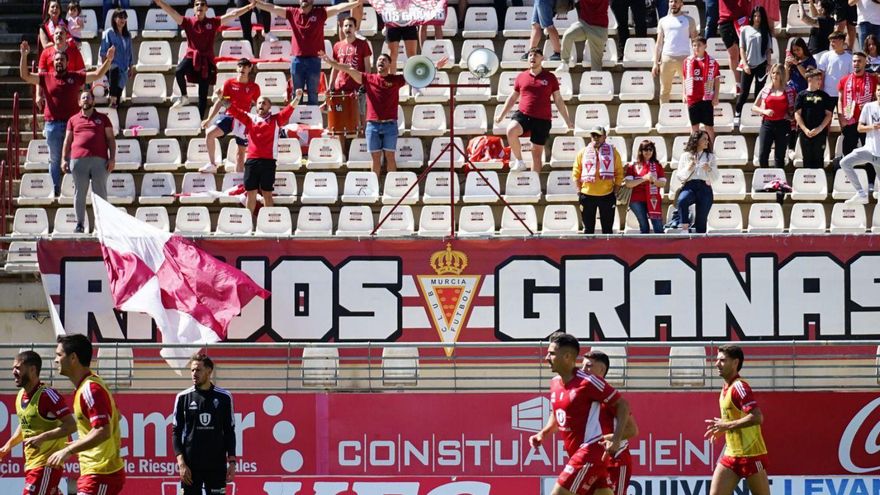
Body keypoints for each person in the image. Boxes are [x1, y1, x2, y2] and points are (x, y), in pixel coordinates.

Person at [528, 332, 630, 495]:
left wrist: (617, 439)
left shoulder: (588, 381)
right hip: (580, 454)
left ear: (567, 356)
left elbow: (622, 405)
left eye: (552, 353)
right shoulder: (555, 383)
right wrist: (543, 433)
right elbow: (558, 413)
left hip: (591, 451)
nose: (547, 357)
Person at [321, 52, 443, 175]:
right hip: (372, 126)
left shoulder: (396, 79)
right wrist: (331, 62)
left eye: (384, 60)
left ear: (389, 64)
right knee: (375, 159)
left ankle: (393, 188)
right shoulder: (368, 78)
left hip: (390, 125)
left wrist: (435, 66)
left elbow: (416, 75)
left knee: (390, 157)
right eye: (379, 59)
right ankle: (375, 188)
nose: (381, 61)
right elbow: (349, 69)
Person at [19, 41, 113, 197]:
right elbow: (25, 75)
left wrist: (108, 60)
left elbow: (96, 75)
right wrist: (24, 56)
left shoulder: (75, 77)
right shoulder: (45, 77)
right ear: (53, 62)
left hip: (73, 126)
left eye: (62, 60)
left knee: (74, 160)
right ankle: (55, 190)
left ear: (67, 62)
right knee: (55, 160)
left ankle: (73, 190)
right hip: (52, 125)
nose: (59, 62)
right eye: (56, 60)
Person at [48, 334, 125, 495]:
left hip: (102, 473)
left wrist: (68, 450)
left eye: (59, 355)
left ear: (73, 358)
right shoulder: (90, 384)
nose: (55, 360)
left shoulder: (90, 389)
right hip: (95, 473)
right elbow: (117, 415)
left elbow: (103, 430)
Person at [155, 0, 255, 118]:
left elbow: (233, 15)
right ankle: (184, 96)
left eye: (202, 4)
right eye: (197, 4)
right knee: (179, 71)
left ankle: (200, 121)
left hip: (206, 61)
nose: (199, 6)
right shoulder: (188, 21)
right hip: (192, 57)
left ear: (206, 8)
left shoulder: (212, 22)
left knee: (202, 95)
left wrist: (249, 6)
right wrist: (159, 2)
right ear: (194, 8)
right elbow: (172, 12)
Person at [254, 0, 362, 106]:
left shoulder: (320, 13)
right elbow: (273, 8)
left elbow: (339, 7)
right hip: (297, 60)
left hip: (314, 60)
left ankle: (313, 122)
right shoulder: (292, 12)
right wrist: (256, 3)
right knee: (296, 95)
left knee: (313, 95)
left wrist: (357, 3)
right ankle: (297, 122)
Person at [0, 351, 76, 495]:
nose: (13, 372)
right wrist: (6, 448)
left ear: (32, 369)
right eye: (13, 368)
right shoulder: (20, 397)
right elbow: (25, 426)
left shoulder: (48, 395)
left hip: (46, 466)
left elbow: (71, 425)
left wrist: (42, 437)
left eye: (18, 368)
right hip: (32, 466)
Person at [704, 345, 770, 495]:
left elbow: (757, 417)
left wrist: (726, 425)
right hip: (731, 455)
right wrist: (722, 429)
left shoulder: (740, 387)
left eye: (722, 360)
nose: (716, 364)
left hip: (752, 455)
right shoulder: (726, 387)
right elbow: (734, 417)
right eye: (717, 360)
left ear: (735, 363)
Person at [496, 48, 573, 172]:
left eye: (536, 55)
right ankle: (519, 161)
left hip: (543, 119)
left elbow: (558, 99)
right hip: (524, 114)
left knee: (536, 155)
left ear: (542, 58)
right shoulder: (521, 76)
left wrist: (567, 120)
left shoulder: (550, 77)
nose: (532, 57)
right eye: (530, 55)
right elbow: (513, 97)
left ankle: (534, 183)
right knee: (511, 130)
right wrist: (501, 115)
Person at [227, 91, 303, 215]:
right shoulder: (249, 119)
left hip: (268, 161)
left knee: (267, 193)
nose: (261, 105)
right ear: (256, 106)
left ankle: (268, 223)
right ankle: (248, 225)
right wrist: (221, 98)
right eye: (259, 103)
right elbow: (234, 110)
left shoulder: (276, 119)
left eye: (264, 103)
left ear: (269, 107)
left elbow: (289, 109)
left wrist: (298, 97)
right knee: (251, 194)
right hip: (252, 161)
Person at [173, 354, 237, 495]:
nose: (194, 374)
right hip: (191, 466)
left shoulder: (224, 397)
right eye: (192, 370)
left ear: (209, 371)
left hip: (216, 466)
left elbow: (229, 431)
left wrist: (232, 461)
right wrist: (181, 463)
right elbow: (176, 432)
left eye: (198, 370)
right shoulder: (183, 397)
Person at [581, 351, 639, 495]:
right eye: (582, 366)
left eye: (588, 366)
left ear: (601, 370)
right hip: (594, 462)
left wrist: (607, 439)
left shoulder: (610, 397)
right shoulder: (585, 396)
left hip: (615, 462)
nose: (583, 371)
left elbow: (632, 430)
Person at [62, 90, 116, 233]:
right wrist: (63, 159)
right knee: (80, 193)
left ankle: (102, 225)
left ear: (93, 101)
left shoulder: (103, 118)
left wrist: (112, 158)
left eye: (88, 97)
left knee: (100, 195)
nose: (86, 100)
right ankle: (80, 224)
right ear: (79, 102)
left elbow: (111, 139)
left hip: (100, 160)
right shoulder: (72, 120)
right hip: (78, 160)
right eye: (83, 98)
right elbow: (67, 140)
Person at [199, 58, 261, 174]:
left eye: (246, 66)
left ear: (250, 69)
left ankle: (239, 184)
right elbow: (220, 101)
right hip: (229, 116)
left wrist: (258, 122)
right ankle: (212, 164)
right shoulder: (229, 83)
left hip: (243, 119)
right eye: (240, 66)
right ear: (237, 68)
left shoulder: (254, 87)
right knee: (209, 133)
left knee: (240, 154)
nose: (243, 69)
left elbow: (259, 105)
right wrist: (209, 119)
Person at [572, 126, 624, 234]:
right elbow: (576, 172)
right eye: (593, 135)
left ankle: (607, 251)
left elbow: (619, 172)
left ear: (604, 137)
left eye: (598, 135)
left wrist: (615, 191)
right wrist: (579, 191)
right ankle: (588, 251)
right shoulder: (583, 152)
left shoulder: (613, 152)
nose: (595, 138)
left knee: (607, 230)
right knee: (588, 230)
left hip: (607, 195)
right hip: (587, 195)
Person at [330, 16, 373, 140]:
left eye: (350, 26)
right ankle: (343, 152)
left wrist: (366, 84)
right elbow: (335, 67)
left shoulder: (363, 44)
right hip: (341, 88)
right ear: (342, 28)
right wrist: (331, 84)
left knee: (360, 118)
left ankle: (362, 147)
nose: (348, 28)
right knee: (340, 120)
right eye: (345, 26)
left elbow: (367, 67)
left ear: (355, 28)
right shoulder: (337, 46)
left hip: (357, 88)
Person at [837, 52, 878, 178]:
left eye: (859, 61)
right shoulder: (845, 80)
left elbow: (877, 96)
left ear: (866, 62)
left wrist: (869, 104)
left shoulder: (873, 79)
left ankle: (871, 182)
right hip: (850, 120)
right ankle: (846, 181)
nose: (856, 63)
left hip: (867, 123)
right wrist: (841, 117)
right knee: (847, 152)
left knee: (871, 153)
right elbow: (840, 99)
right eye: (854, 61)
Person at [841, 82, 880, 203]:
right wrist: (873, 127)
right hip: (869, 150)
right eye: (878, 90)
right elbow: (859, 128)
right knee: (844, 163)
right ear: (875, 92)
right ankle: (860, 192)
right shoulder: (869, 107)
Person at [752, 64, 797, 167]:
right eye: (773, 72)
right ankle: (764, 177)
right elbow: (754, 107)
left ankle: (779, 181)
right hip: (767, 124)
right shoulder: (765, 89)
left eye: (778, 73)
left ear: (782, 74)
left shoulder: (789, 90)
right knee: (763, 154)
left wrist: (791, 115)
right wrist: (764, 111)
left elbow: (796, 108)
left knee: (779, 156)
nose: (775, 75)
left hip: (783, 124)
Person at [653, 0, 698, 104]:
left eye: (676, 1)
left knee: (688, 90)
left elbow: (695, 41)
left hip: (685, 59)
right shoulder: (663, 21)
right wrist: (655, 63)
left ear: (681, 4)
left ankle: (688, 117)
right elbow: (659, 43)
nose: (673, 4)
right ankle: (663, 117)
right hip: (666, 59)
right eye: (671, 1)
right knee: (664, 91)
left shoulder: (689, 20)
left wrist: (696, 59)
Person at [676, 130, 719, 233]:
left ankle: (701, 247)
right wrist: (689, 167)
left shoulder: (710, 157)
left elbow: (715, 177)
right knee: (682, 200)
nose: (707, 141)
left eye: (707, 139)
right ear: (697, 140)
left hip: (705, 187)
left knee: (701, 222)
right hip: (690, 186)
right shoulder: (685, 155)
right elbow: (680, 176)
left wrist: (709, 169)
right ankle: (685, 229)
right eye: (704, 139)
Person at [735, 6, 772, 127]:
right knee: (744, 92)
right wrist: (745, 64)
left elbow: (767, 50)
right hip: (748, 65)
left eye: (759, 16)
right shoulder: (745, 30)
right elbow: (742, 49)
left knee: (759, 92)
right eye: (755, 16)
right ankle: (738, 112)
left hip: (761, 65)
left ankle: (759, 116)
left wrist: (768, 64)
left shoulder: (765, 32)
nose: (757, 18)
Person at [555, 0, 610, 73]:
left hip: (599, 27)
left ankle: (594, 80)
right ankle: (564, 63)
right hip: (584, 23)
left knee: (596, 66)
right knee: (568, 35)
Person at [624, 140, 667, 233]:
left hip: (653, 199)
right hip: (636, 199)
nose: (648, 152)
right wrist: (644, 178)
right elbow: (628, 184)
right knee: (644, 226)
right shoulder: (633, 166)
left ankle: (661, 247)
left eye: (650, 149)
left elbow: (663, 183)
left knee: (658, 225)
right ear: (641, 151)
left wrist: (654, 180)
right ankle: (645, 247)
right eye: (645, 149)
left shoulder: (658, 165)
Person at [684, 36, 722, 141]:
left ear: (705, 46)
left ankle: (710, 150)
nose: (696, 48)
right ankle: (694, 151)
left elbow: (717, 79)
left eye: (699, 45)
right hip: (692, 98)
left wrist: (716, 96)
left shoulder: (712, 62)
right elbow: (685, 78)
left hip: (707, 98)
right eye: (694, 45)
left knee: (708, 127)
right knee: (694, 127)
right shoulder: (687, 61)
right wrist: (684, 93)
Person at [795, 69, 834, 169]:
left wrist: (820, 128)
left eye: (820, 79)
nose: (820, 81)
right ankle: (808, 183)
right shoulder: (801, 95)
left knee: (819, 159)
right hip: (805, 133)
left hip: (820, 133)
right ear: (810, 79)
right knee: (807, 159)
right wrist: (805, 129)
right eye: (817, 79)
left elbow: (829, 114)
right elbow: (797, 114)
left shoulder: (825, 96)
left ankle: (820, 183)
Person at [99, 9, 134, 109]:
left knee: (118, 94)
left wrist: (131, 67)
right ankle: (113, 99)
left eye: (124, 17)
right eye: (120, 17)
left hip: (124, 68)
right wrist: (103, 68)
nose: (123, 20)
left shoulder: (128, 35)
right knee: (114, 70)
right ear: (114, 19)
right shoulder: (109, 33)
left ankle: (114, 108)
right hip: (112, 66)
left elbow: (130, 52)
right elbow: (103, 51)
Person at [718, 0, 751, 90]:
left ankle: (745, 82)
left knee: (745, 52)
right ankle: (738, 83)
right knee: (733, 54)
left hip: (743, 18)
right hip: (725, 20)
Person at [817, 32, 853, 112]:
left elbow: (851, 76)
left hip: (844, 94)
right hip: (827, 93)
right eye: (830, 41)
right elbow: (821, 73)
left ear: (841, 41)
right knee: (826, 118)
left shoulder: (850, 58)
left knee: (845, 117)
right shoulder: (826, 55)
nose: (831, 44)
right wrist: (820, 89)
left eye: (833, 41)